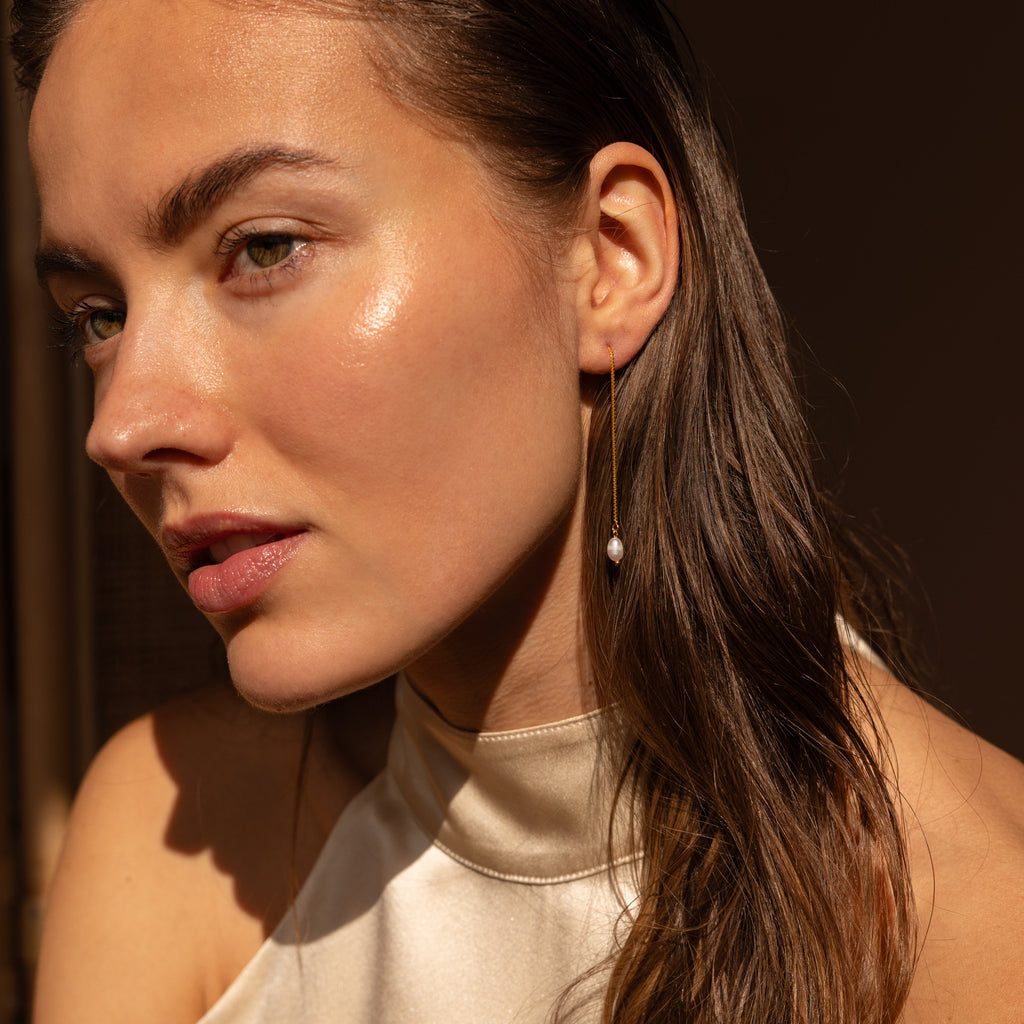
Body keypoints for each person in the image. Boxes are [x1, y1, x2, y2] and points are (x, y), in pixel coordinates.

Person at [11, 0, 1024, 1021]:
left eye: (266, 248)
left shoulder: (980, 928)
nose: (121, 423)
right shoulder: (173, 833)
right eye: (99, 314)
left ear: (610, 258)